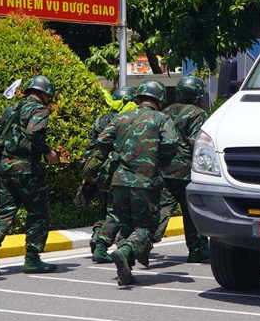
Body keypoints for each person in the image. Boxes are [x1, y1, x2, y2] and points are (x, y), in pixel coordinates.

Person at [89, 80, 181, 286]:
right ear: (159, 99)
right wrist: (158, 161)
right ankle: (125, 251)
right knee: (146, 227)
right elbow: (171, 144)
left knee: (126, 225)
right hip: (145, 181)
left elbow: (102, 140)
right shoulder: (162, 119)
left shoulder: (121, 118)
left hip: (119, 180)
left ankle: (126, 270)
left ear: (138, 98)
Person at [0, 75, 65, 278]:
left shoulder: (11, 108)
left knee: (4, 212)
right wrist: (49, 153)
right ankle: (33, 258)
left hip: (5, 167)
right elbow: (35, 134)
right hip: (28, 169)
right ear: (44, 94)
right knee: (37, 213)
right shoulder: (40, 110)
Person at [76, 83, 133, 262]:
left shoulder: (101, 119)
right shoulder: (127, 119)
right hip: (116, 170)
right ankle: (101, 244)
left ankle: (96, 236)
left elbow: (91, 146)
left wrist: (87, 172)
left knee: (104, 207)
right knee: (115, 209)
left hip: (97, 169)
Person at [164, 75, 211, 263]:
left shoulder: (166, 111)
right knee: (191, 212)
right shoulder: (197, 113)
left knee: (158, 212)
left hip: (164, 169)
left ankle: (135, 247)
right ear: (198, 95)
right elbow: (196, 143)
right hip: (185, 171)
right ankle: (197, 249)